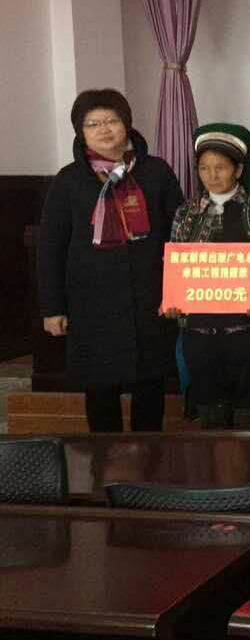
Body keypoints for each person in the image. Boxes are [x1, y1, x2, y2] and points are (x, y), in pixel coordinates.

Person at [38, 89, 184, 432]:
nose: (104, 129)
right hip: (92, 305)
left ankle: (150, 458)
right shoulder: (68, 181)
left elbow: (179, 235)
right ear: (81, 132)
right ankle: (104, 461)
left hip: (149, 299)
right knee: (100, 390)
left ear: (127, 124)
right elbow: (51, 248)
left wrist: (180, 293)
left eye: (112, 121)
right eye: (93, 124)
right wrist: (52, 308)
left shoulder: (156, 172)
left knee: (150, 386)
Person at [166, 124, 250, 429]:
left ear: (239, 170)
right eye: (204, 168)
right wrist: (172, 299)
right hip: (199, 332)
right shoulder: (186, 213)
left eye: (220, 167)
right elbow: (176, 266)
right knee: (210, 416)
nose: (212, 175)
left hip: (246, 331)